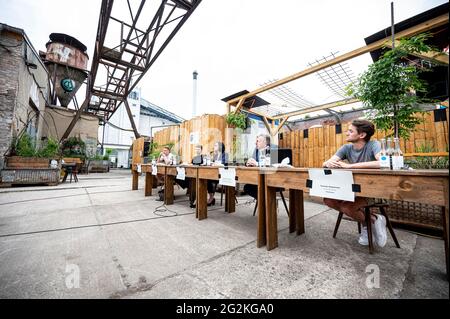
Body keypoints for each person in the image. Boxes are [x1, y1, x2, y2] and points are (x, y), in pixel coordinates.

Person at [322, 119, 387, 247]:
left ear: (362, 135)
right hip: (350, 189)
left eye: (351, 131)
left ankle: (368, 223)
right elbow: (327, 162)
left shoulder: (374, 145)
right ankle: (373, 220)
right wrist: (327, 163)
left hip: (370, 191)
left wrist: (350, 166)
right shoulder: (346, 148)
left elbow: (383, 162)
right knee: (328, 200)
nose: (347, 133)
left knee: (347, 207)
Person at [244, 134, 275, 199]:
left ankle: (268, 202)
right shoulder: (256, 150)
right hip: (259, 178)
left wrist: (257, 163)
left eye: (258, 141)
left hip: (271, 179)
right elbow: (253, 161)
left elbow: (271, 165)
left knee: (256, 187)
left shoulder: (274, 149)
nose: (255, 143)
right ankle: (265, 202)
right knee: (247, 187)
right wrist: (249, 163)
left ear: (265, 142)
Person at [206, 141, 229, 206]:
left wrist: (215, 163)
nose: (214, 146)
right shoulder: (215, 155)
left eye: (215, 145)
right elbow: (212, 164)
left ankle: (211, 197)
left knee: (210, 180)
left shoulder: (225, 154)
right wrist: (209, 159)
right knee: (206, 178)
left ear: (220, 147)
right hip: (214, 174)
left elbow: (225, 165)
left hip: (222, 174)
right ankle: (211, 197)